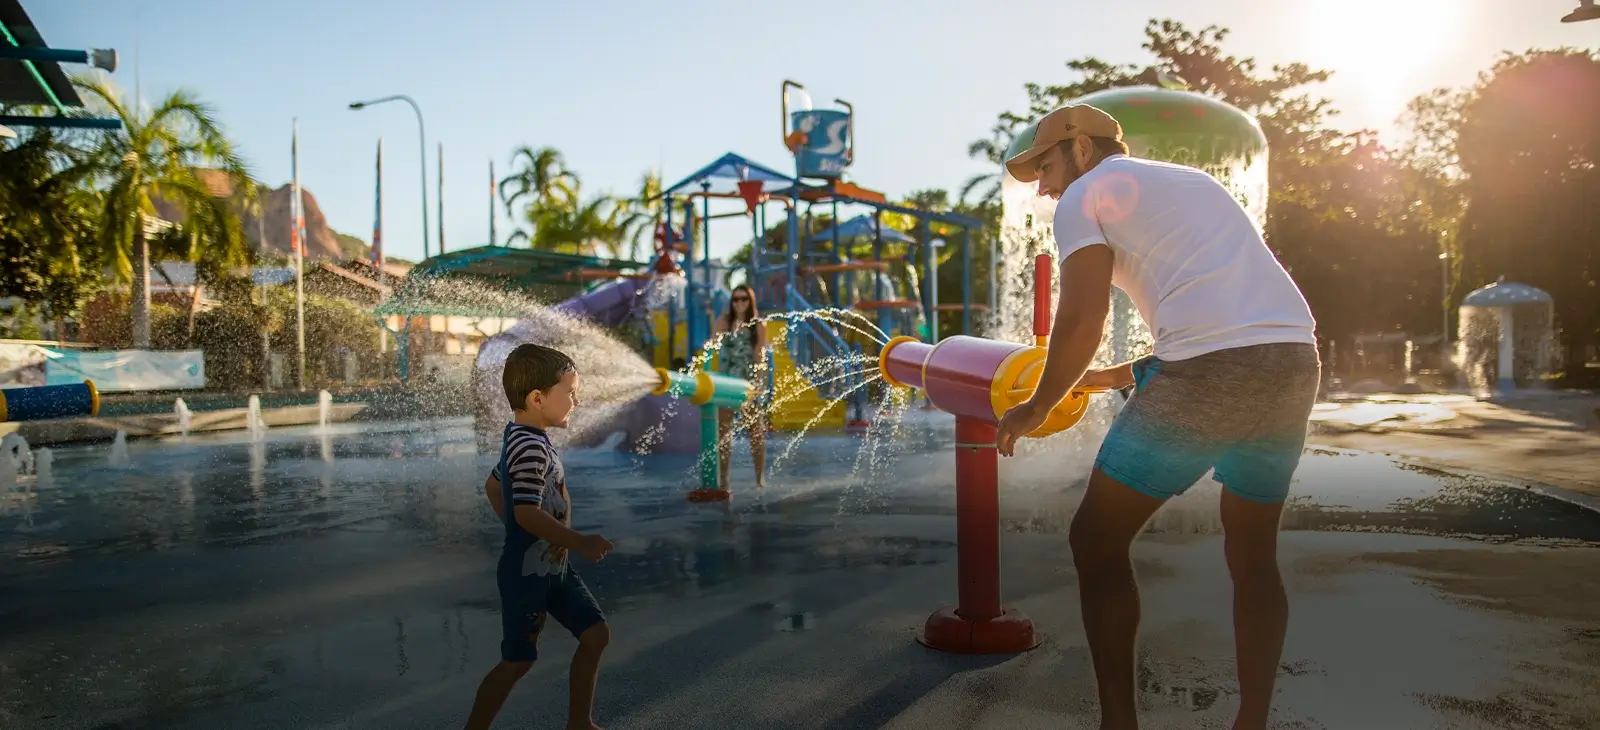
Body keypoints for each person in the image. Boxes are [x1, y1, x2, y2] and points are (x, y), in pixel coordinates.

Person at [994, 105, 1321, 730]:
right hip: (1293, 360)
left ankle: (1119, 724)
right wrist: (1108, 377)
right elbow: (1231, 322)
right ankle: (1252, 722)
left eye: (1046, 164)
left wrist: (1036, 406)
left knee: (1095, 539)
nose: (1042, 185)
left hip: (1209, 373)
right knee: (1252, 551)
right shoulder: (1192, 183)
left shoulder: (1083, 195)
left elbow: (1084, 317)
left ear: (1082, 150)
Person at [464, 343, 615, 730]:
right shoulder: (529, 446)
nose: (576, 400)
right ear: (537, 397)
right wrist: (576, 540)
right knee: (518, 660)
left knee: (595, 634)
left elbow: (493, 486)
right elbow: (528, 512)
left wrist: (519, 526)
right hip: (527, 574)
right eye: (570, 391)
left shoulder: (522, 437)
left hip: (552, 566)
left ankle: (580, 722)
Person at [712, 284, 768, 487]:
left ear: (750, 301)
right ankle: (724, 479)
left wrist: (758, 384)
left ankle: (759, 479)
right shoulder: (723, 322)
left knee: (755, 432)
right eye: (736, 299)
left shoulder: (758, 325)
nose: (740, 303)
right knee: (724, 432)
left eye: (744, 299)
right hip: (726, 382)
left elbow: (759, 356)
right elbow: (712, 349)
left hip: (747, 383)